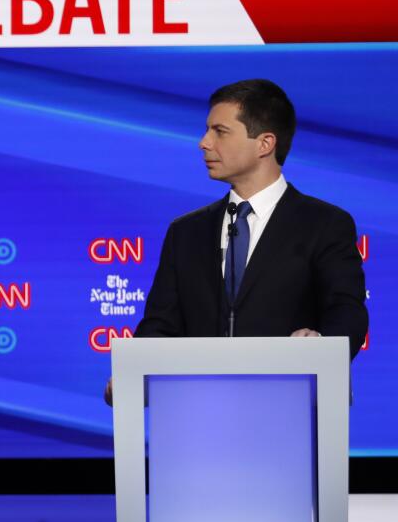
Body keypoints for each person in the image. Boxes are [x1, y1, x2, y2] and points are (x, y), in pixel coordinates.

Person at [106, 79, 367, 404]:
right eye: (207, 130)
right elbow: (160, 324)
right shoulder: (186, 232)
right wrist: (134, 372)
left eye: (220, 131)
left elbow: (346, 309)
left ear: (264, 143)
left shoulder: (324, 224)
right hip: (194, 414)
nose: (204, 143)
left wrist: (323, 347)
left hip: (289, 409)